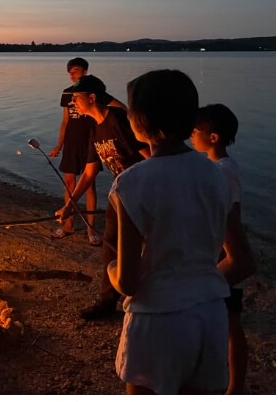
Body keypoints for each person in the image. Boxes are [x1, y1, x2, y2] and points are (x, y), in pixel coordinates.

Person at [106, 70, 253, 394]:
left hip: (156, 321)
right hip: (209, 316)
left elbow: (129, 282)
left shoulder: (130, 183)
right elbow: (238, 258)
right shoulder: (217, 176)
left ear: (138, 121)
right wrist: (197, 283)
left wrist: (111, 269)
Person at [54, 74, 150, 319]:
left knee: (144, 249)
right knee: (110, 246)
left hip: (143, 194)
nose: (73, 102)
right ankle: (108, 302)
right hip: (120, 195)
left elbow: (149, 154)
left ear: (92, 97)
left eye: (76, 97)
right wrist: (69, 206)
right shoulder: (94, 130)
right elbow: (88, 174)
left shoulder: (118, 119)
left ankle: (147, 300)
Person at [191, 104, 256, 394]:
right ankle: (230, 385)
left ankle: (234, 387)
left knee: (229, 326)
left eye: (196, 131)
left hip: (221, 260)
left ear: (213, 137)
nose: (191, 135)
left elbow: (229, 221)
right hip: (216, 257)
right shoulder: (221, 168)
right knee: (227, 323)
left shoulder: (221, 172)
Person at [49, 58, 125, 244]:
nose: (73, 74)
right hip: (73, 142)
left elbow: (121, 109)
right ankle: (68, 225)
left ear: (85, 71)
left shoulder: (97, 97)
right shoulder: (68, 94)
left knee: (89, 185)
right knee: (71, 182)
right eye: (70, 72)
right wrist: (60, 145)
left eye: (76, 70)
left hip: (91, 142)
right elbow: (65, 122)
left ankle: (90, 230)